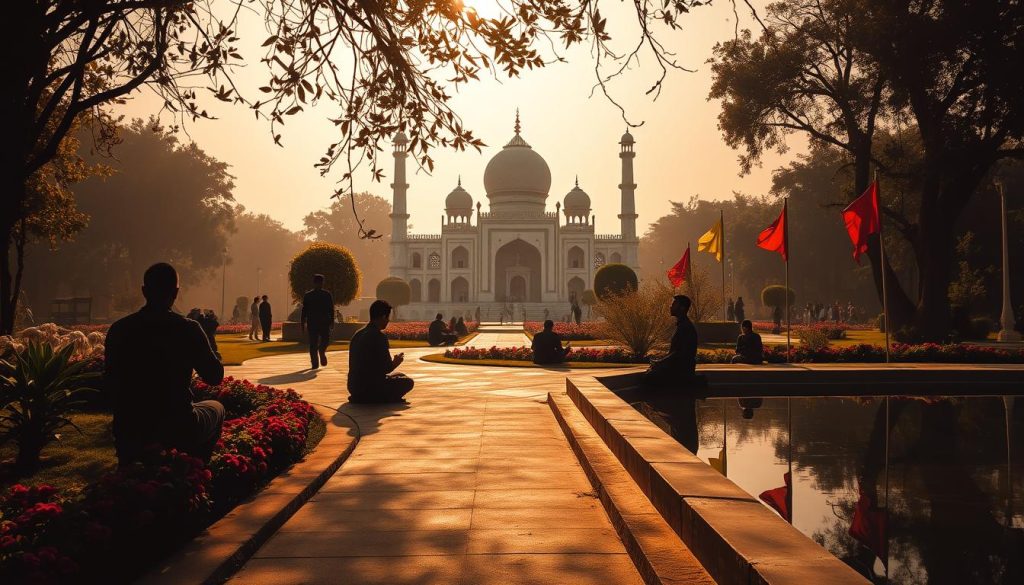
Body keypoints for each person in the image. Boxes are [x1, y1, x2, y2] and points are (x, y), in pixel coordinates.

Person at [105, 263, 225, 466]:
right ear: (176, 292)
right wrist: (209, 337)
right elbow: (214, 376)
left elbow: (109, 383)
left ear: (144, 291)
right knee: (216, 408)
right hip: (176, 424)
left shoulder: (120, 329)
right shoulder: (187, 329)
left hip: (130, 426)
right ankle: (195, 470)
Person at [347, 300, 414, 403]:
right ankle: (381, 398)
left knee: (399, 375)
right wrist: (396, 362)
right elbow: (387, 368)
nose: (388, 321)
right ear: (383, 317)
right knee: (408, 382)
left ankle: (362, 396)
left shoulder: (358, 334)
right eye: (387, 317)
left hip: (354, 387)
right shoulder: (379, 336)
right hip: (371, 388)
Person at [301, 274, 335, 369]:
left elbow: (304, 311)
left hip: (312, 322)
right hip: (324, 322)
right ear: (322, 283)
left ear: (314, 283)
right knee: (325, 340)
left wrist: (302, 323)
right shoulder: (327, 295)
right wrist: (332, 321)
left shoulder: (308, 295)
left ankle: (315, 363)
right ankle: (321, 350)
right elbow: (331, 309)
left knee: (313, 343)